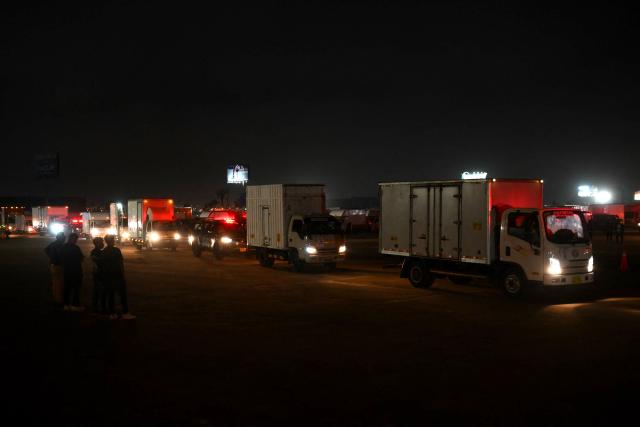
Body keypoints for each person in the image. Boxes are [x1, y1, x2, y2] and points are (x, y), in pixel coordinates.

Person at [102, 235, 135, 320]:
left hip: (108, 276)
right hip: (117, 275)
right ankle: (125, 312)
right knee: (122, 295)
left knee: (111, 295)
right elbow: (120, 263)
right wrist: (123, 274)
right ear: (110, 241)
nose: (114, 241)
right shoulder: (116, 250)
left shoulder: (104, 251)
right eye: (112, 240)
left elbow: (102, 265)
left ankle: (112, 313)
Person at [60, 233, 85, 311]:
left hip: (67, 271)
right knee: (76, 289)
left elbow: (61, 258)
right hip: (75, 270)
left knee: (67, 288)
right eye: (75, 239)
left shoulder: (64, 247)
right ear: (71, 239)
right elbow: (81, 258)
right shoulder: (75, 248)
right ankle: (75, 305)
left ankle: (66, 304)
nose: (75, 240)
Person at [45, 232, 66, 305]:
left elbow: (46, 249)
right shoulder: (59, 245)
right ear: (61, 238)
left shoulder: (53, 243)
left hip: (53, 264)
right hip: (58, 265)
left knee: (55, 282)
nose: (64, 238)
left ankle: (55, 298)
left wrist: (51, 257)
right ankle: (59, 300)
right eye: (63, 237)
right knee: (59, 283)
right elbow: (61, 255)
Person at [90, 237, 105, 313]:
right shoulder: (95, 251)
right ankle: (97, 307)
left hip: (99, 273)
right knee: (99, 291)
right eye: (101, 242)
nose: (103, 244)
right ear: (97, 244)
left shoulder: (100, 251)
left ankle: (97, 307)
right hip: (98, 274)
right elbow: (96, 260)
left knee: (98, 291)